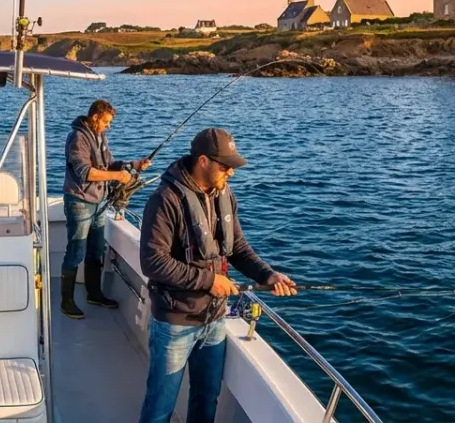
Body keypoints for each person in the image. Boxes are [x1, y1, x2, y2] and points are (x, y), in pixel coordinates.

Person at [137, 128, 296, 423]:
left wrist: (268, 274)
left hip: (215, 320)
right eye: (225, 166)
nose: (231, 173)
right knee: (160, 405)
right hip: (175, 321)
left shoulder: (224, 195)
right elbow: (152, 262)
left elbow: (237, 247)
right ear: (203, 162)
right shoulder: (164, 201)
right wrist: (210, 281)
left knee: (207, 397)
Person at [61, 99, 152, 319]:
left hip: (99, 200)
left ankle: (94, 293)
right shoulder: (78, 137)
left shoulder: (99, 136)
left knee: (96, 250)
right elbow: (85, 172)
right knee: (76, 251)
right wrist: (118, 176)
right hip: (80, 201)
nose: (108, 126)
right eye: (106, 122)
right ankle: (67, 301)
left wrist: (133, 164)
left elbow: (109, 163)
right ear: (95, 118)